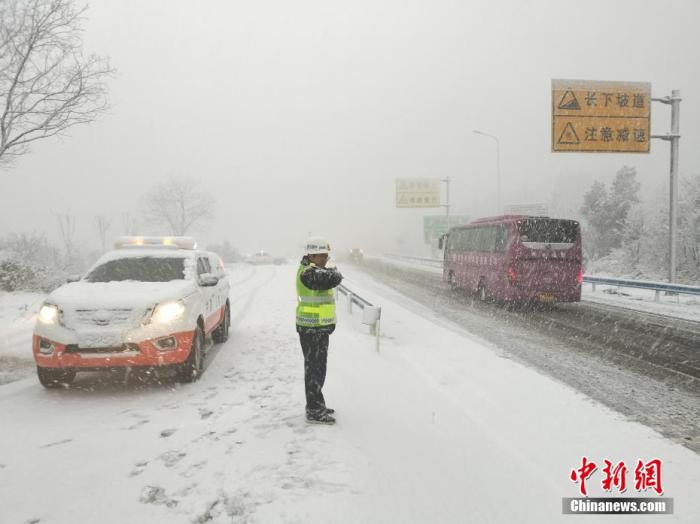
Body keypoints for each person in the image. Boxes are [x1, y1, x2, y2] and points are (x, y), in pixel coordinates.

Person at [296, 236, 343, 424]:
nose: (326, 260)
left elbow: (330, 276)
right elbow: (333, 278)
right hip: (311, 328)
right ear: (312, 255)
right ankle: (314, 410)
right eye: (323, 256)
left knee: (318, 369)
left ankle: (317, 404)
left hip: (318, 328)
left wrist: (331, 271)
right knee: (314, 370)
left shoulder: (313, 269)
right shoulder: (308, 273)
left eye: (326, 256)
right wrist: (335, 272)